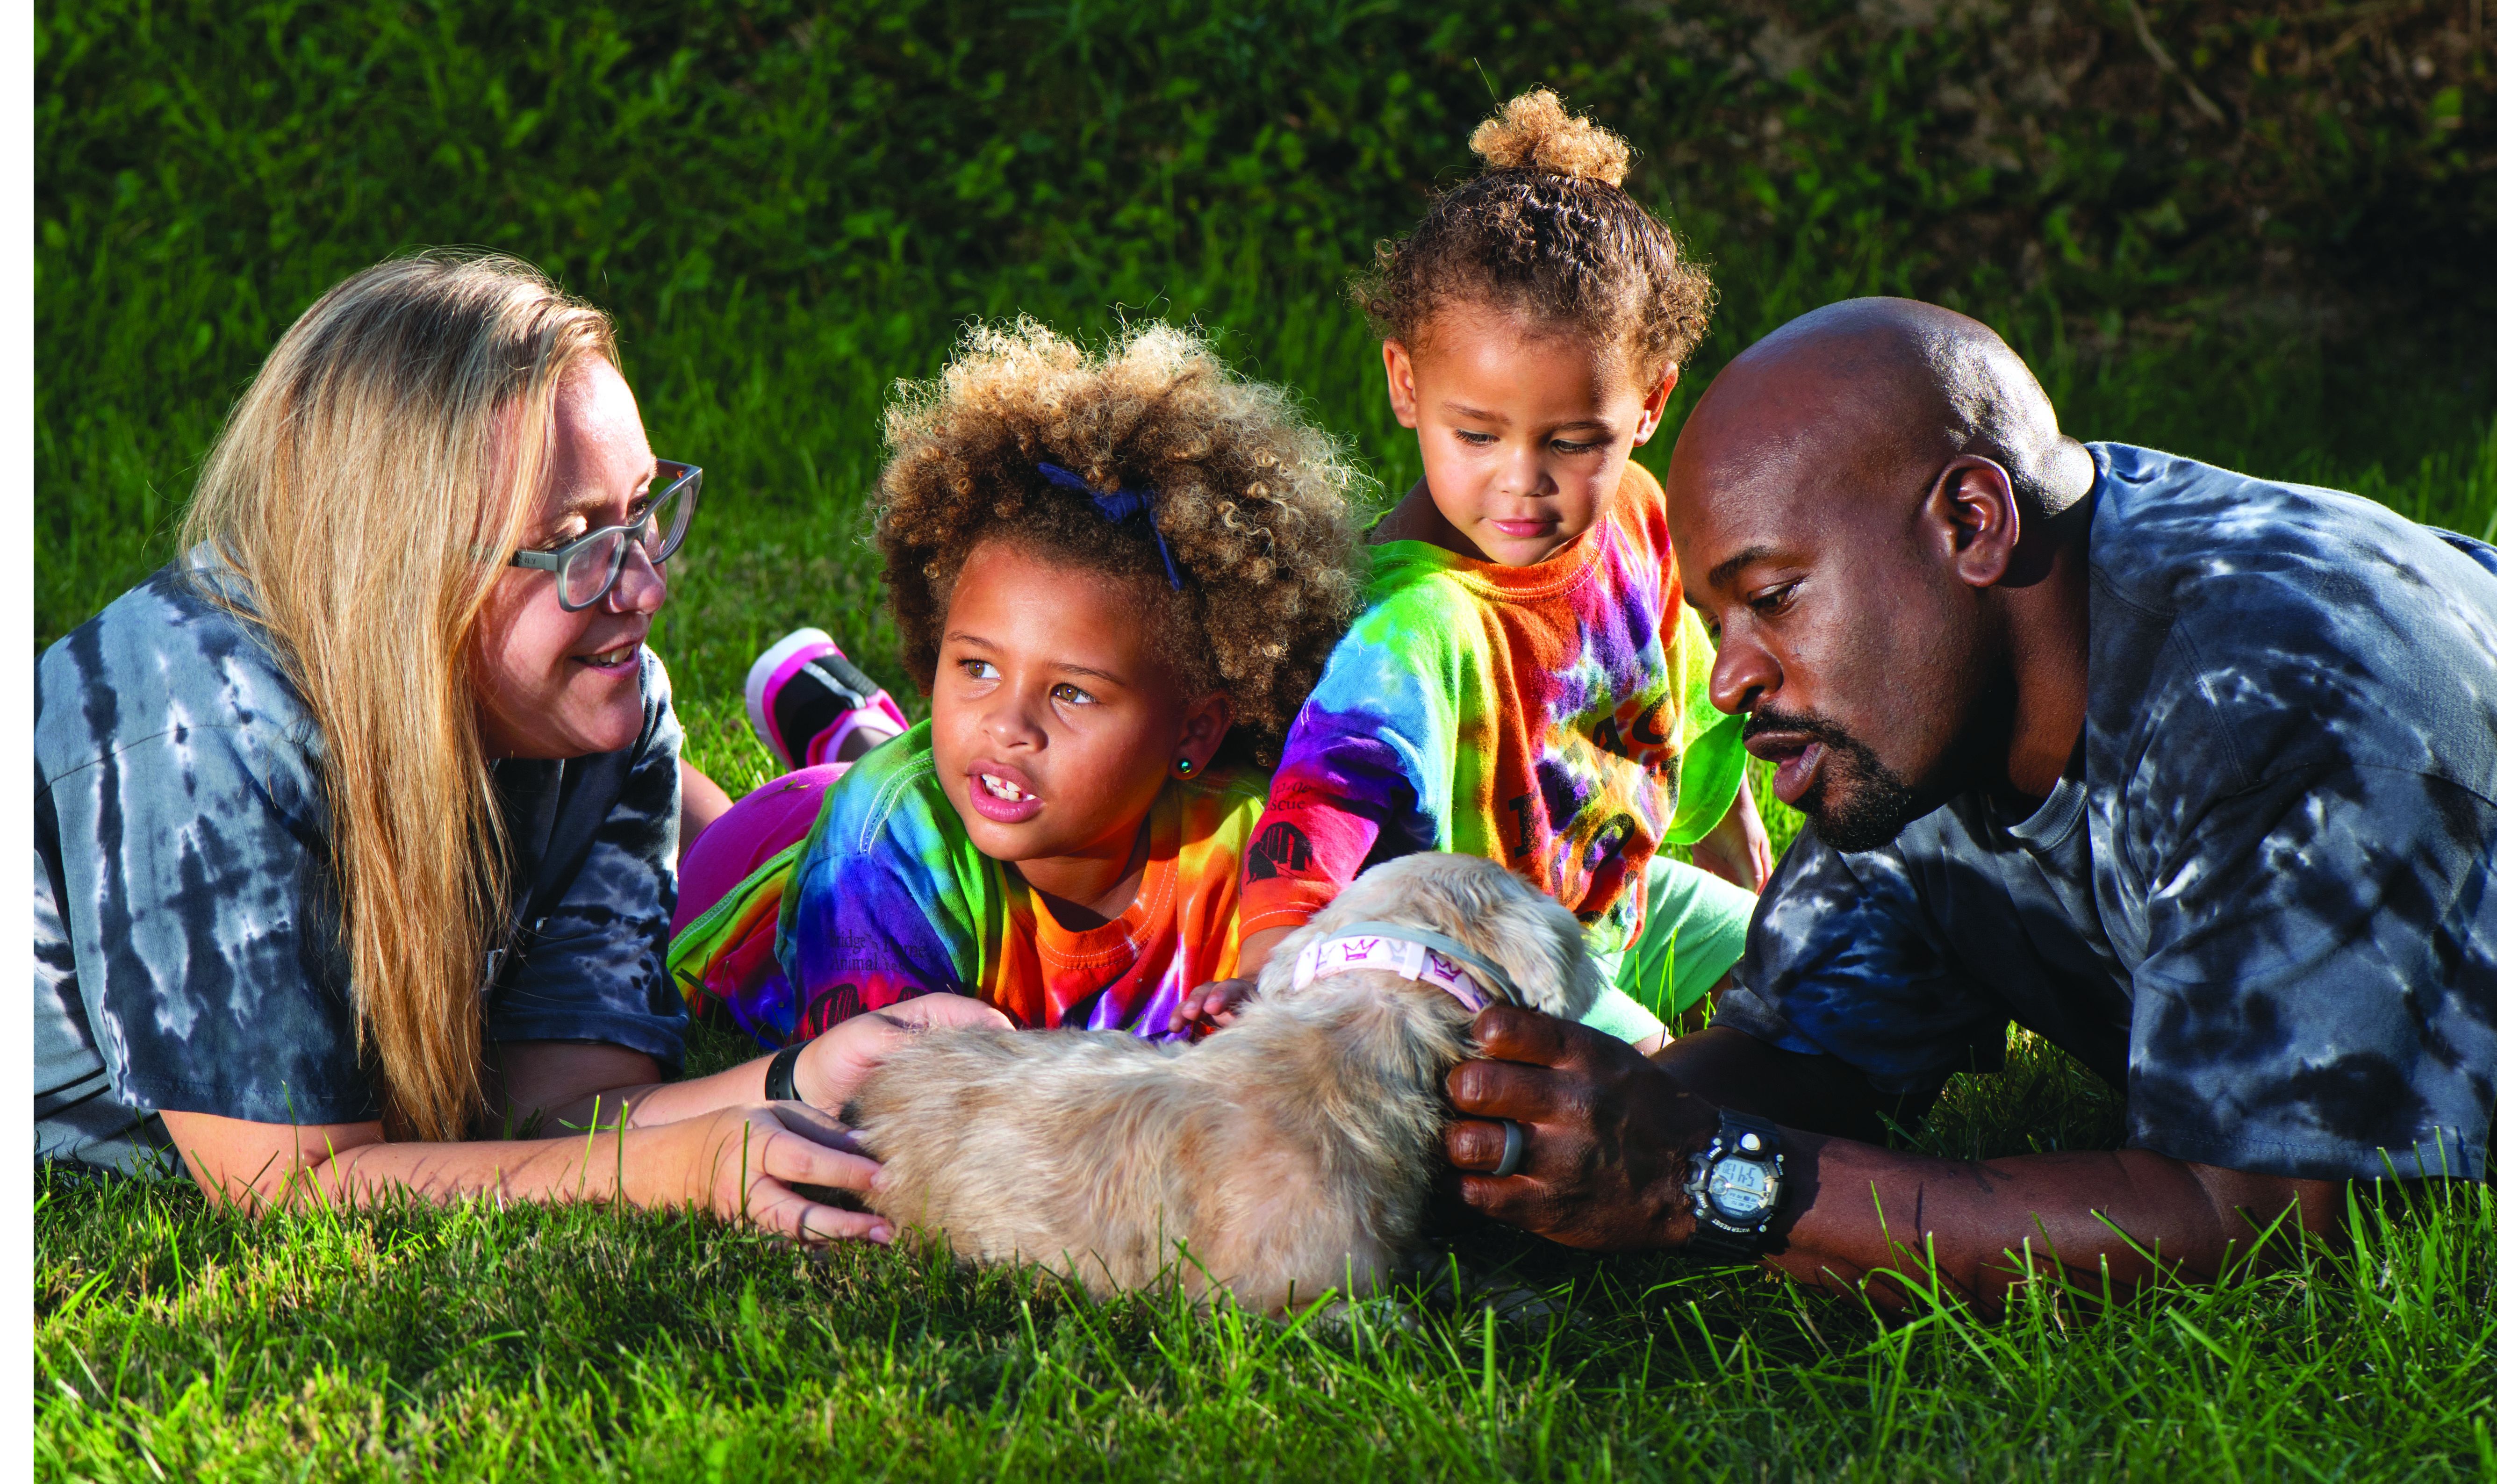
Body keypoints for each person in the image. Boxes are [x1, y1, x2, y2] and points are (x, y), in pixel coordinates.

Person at [1437, 295, 2497, 1310]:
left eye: (1771, 599)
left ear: (1973, 521)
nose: (1726, 681)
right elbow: (1804, 1051)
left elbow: (2253, 1216)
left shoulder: (2273, 704)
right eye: (1720, 623)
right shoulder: (1924, 711)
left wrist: (1700, 1178)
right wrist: (1499, 1144)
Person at [32, 252, 997, 1241]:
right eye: (578, 543)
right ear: (397, 574)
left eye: (640, 514)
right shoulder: (195, 726)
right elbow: (292, 1184)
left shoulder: (603, 719)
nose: (645, 589)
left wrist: (804, 1074)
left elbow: (558, 1112)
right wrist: (674, 1170)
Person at [1181, 90, 1773, 1051]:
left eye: (1575, 440)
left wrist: (1743, 863)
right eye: (1477, 434)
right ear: (1405, 385)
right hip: (1483, 969)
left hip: (1616, 904)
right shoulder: (1409, 623)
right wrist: (1267, 975)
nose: (1523, 482)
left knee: (1831, 974)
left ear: (1651, 405)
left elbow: (1688, 692)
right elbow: (1322, 803)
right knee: (1667, 1093)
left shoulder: (1633, 512)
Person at [665, 318, 1367, 1047]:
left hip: (943, 789)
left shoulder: (1252, 852)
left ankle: (850, 722)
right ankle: (678, 760)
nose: (1009, 723)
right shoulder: (876, 851)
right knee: (694, 828)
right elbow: (891, 1099)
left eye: (1071, 692)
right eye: (977, 667)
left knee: (936, 762)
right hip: (769, 854)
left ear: (1194, 730)